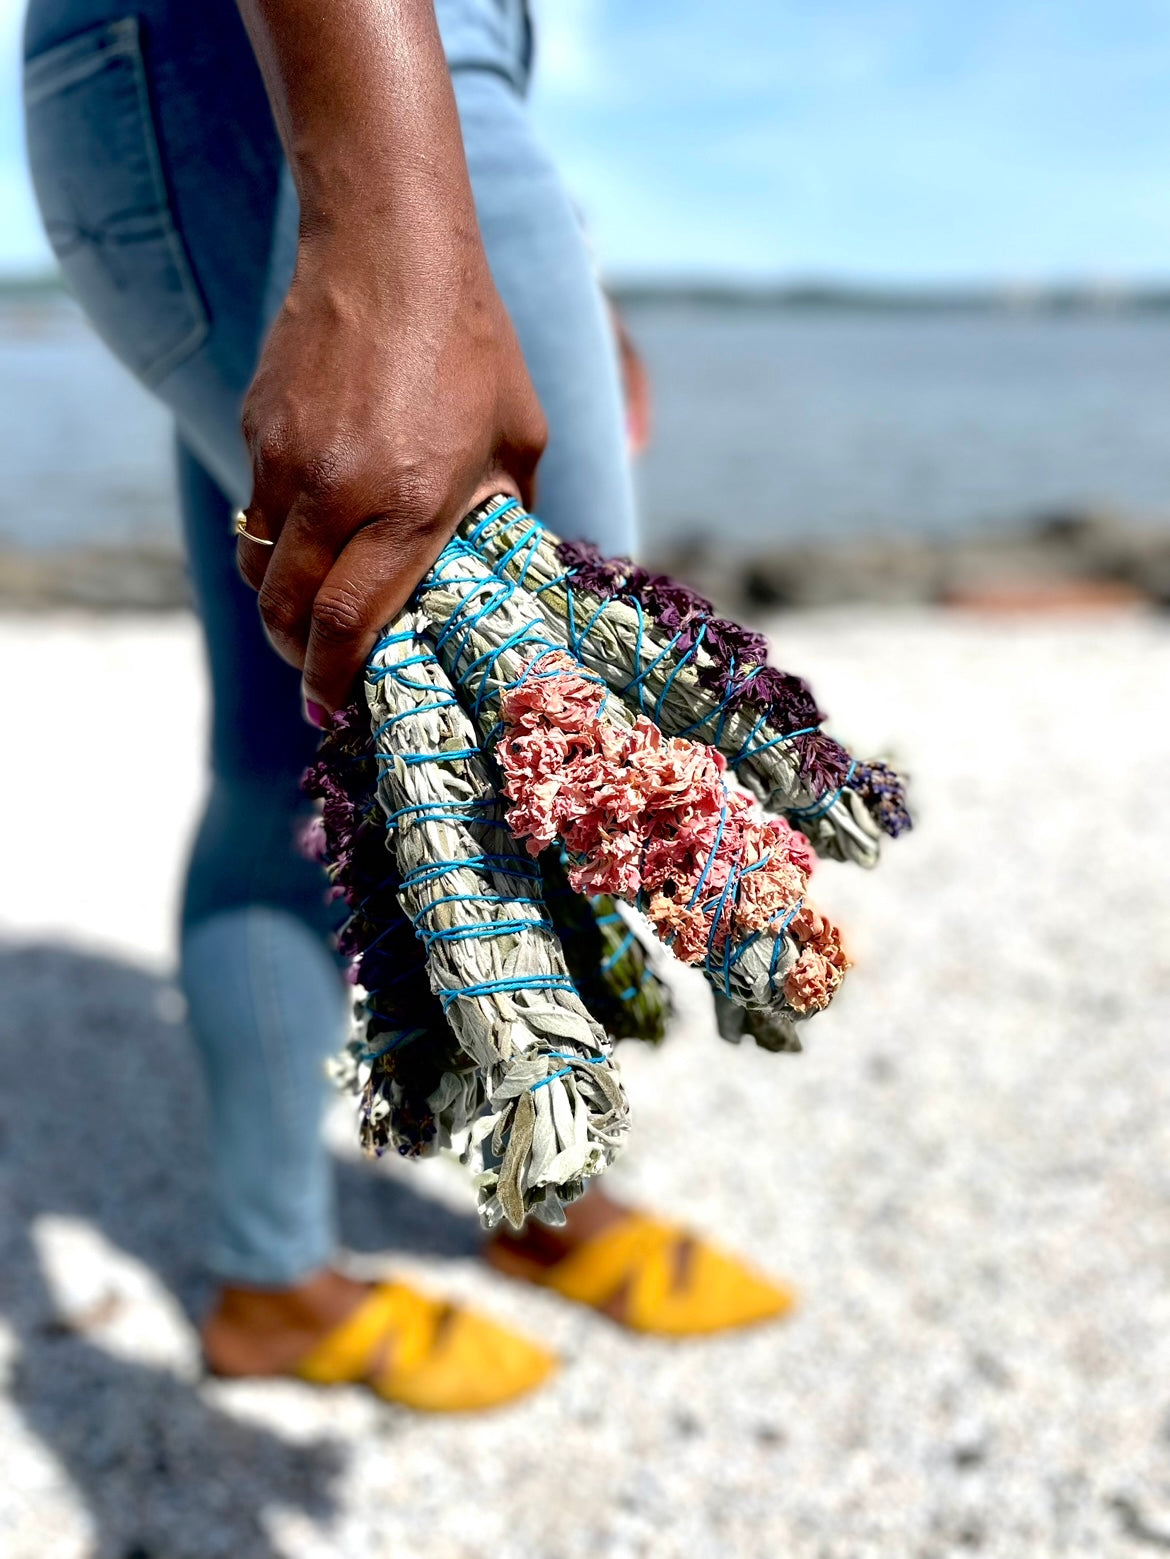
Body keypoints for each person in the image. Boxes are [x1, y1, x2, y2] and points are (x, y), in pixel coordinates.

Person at [23, 0, 792, 1412]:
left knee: (287, 749)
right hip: (303, 77)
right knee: (548, 736)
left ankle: (288, 1273)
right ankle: (542, 1194)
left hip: (252, 90)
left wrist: (539, 247)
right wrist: (401, 245)